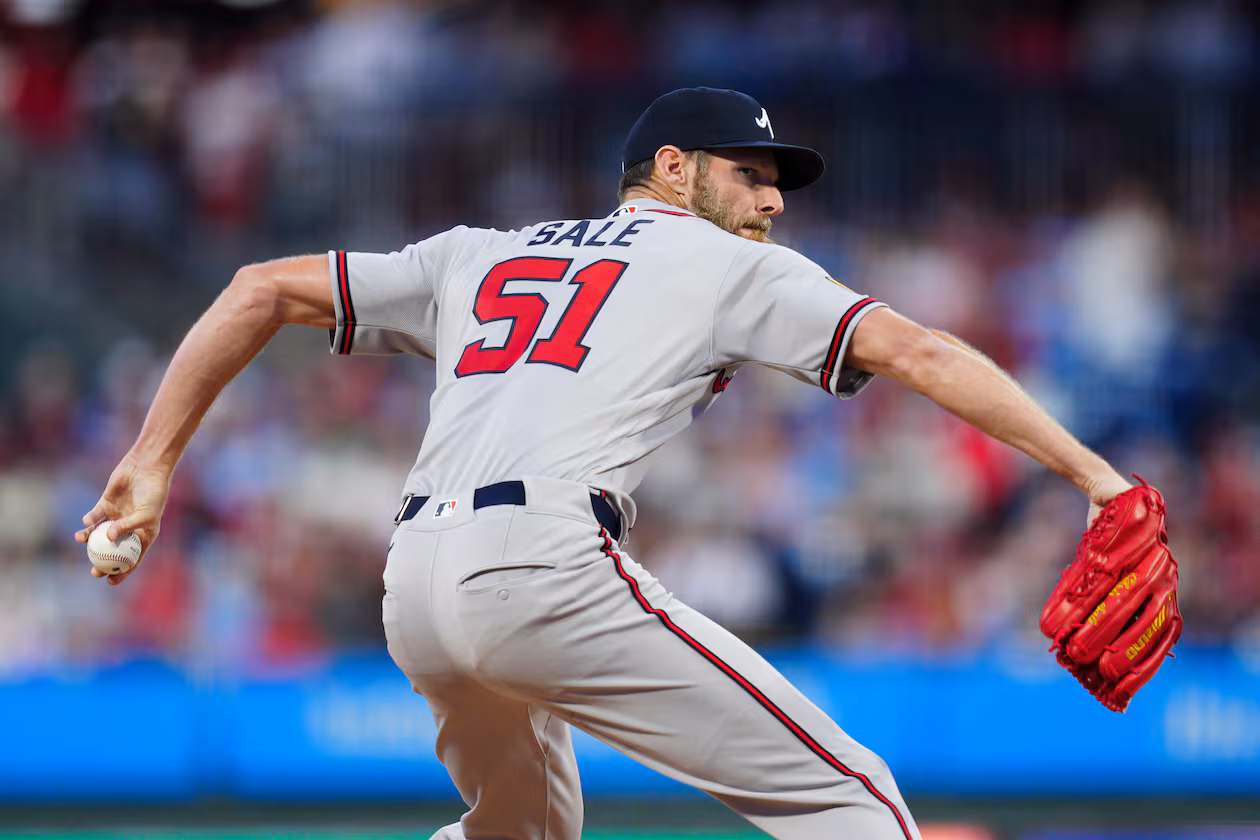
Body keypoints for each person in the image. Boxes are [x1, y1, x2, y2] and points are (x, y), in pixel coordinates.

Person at [77, 87, 1133, 839]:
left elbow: (260, 288)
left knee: (520, 835)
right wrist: (1097, 477)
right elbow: (919, 348)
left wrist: (150, 461)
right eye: (750, 175)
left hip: (417, 585)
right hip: (542, 562)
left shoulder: (480, 250)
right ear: (672, 171)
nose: (771, 203)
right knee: (855, 803)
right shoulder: (718, 262)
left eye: (778, 186)